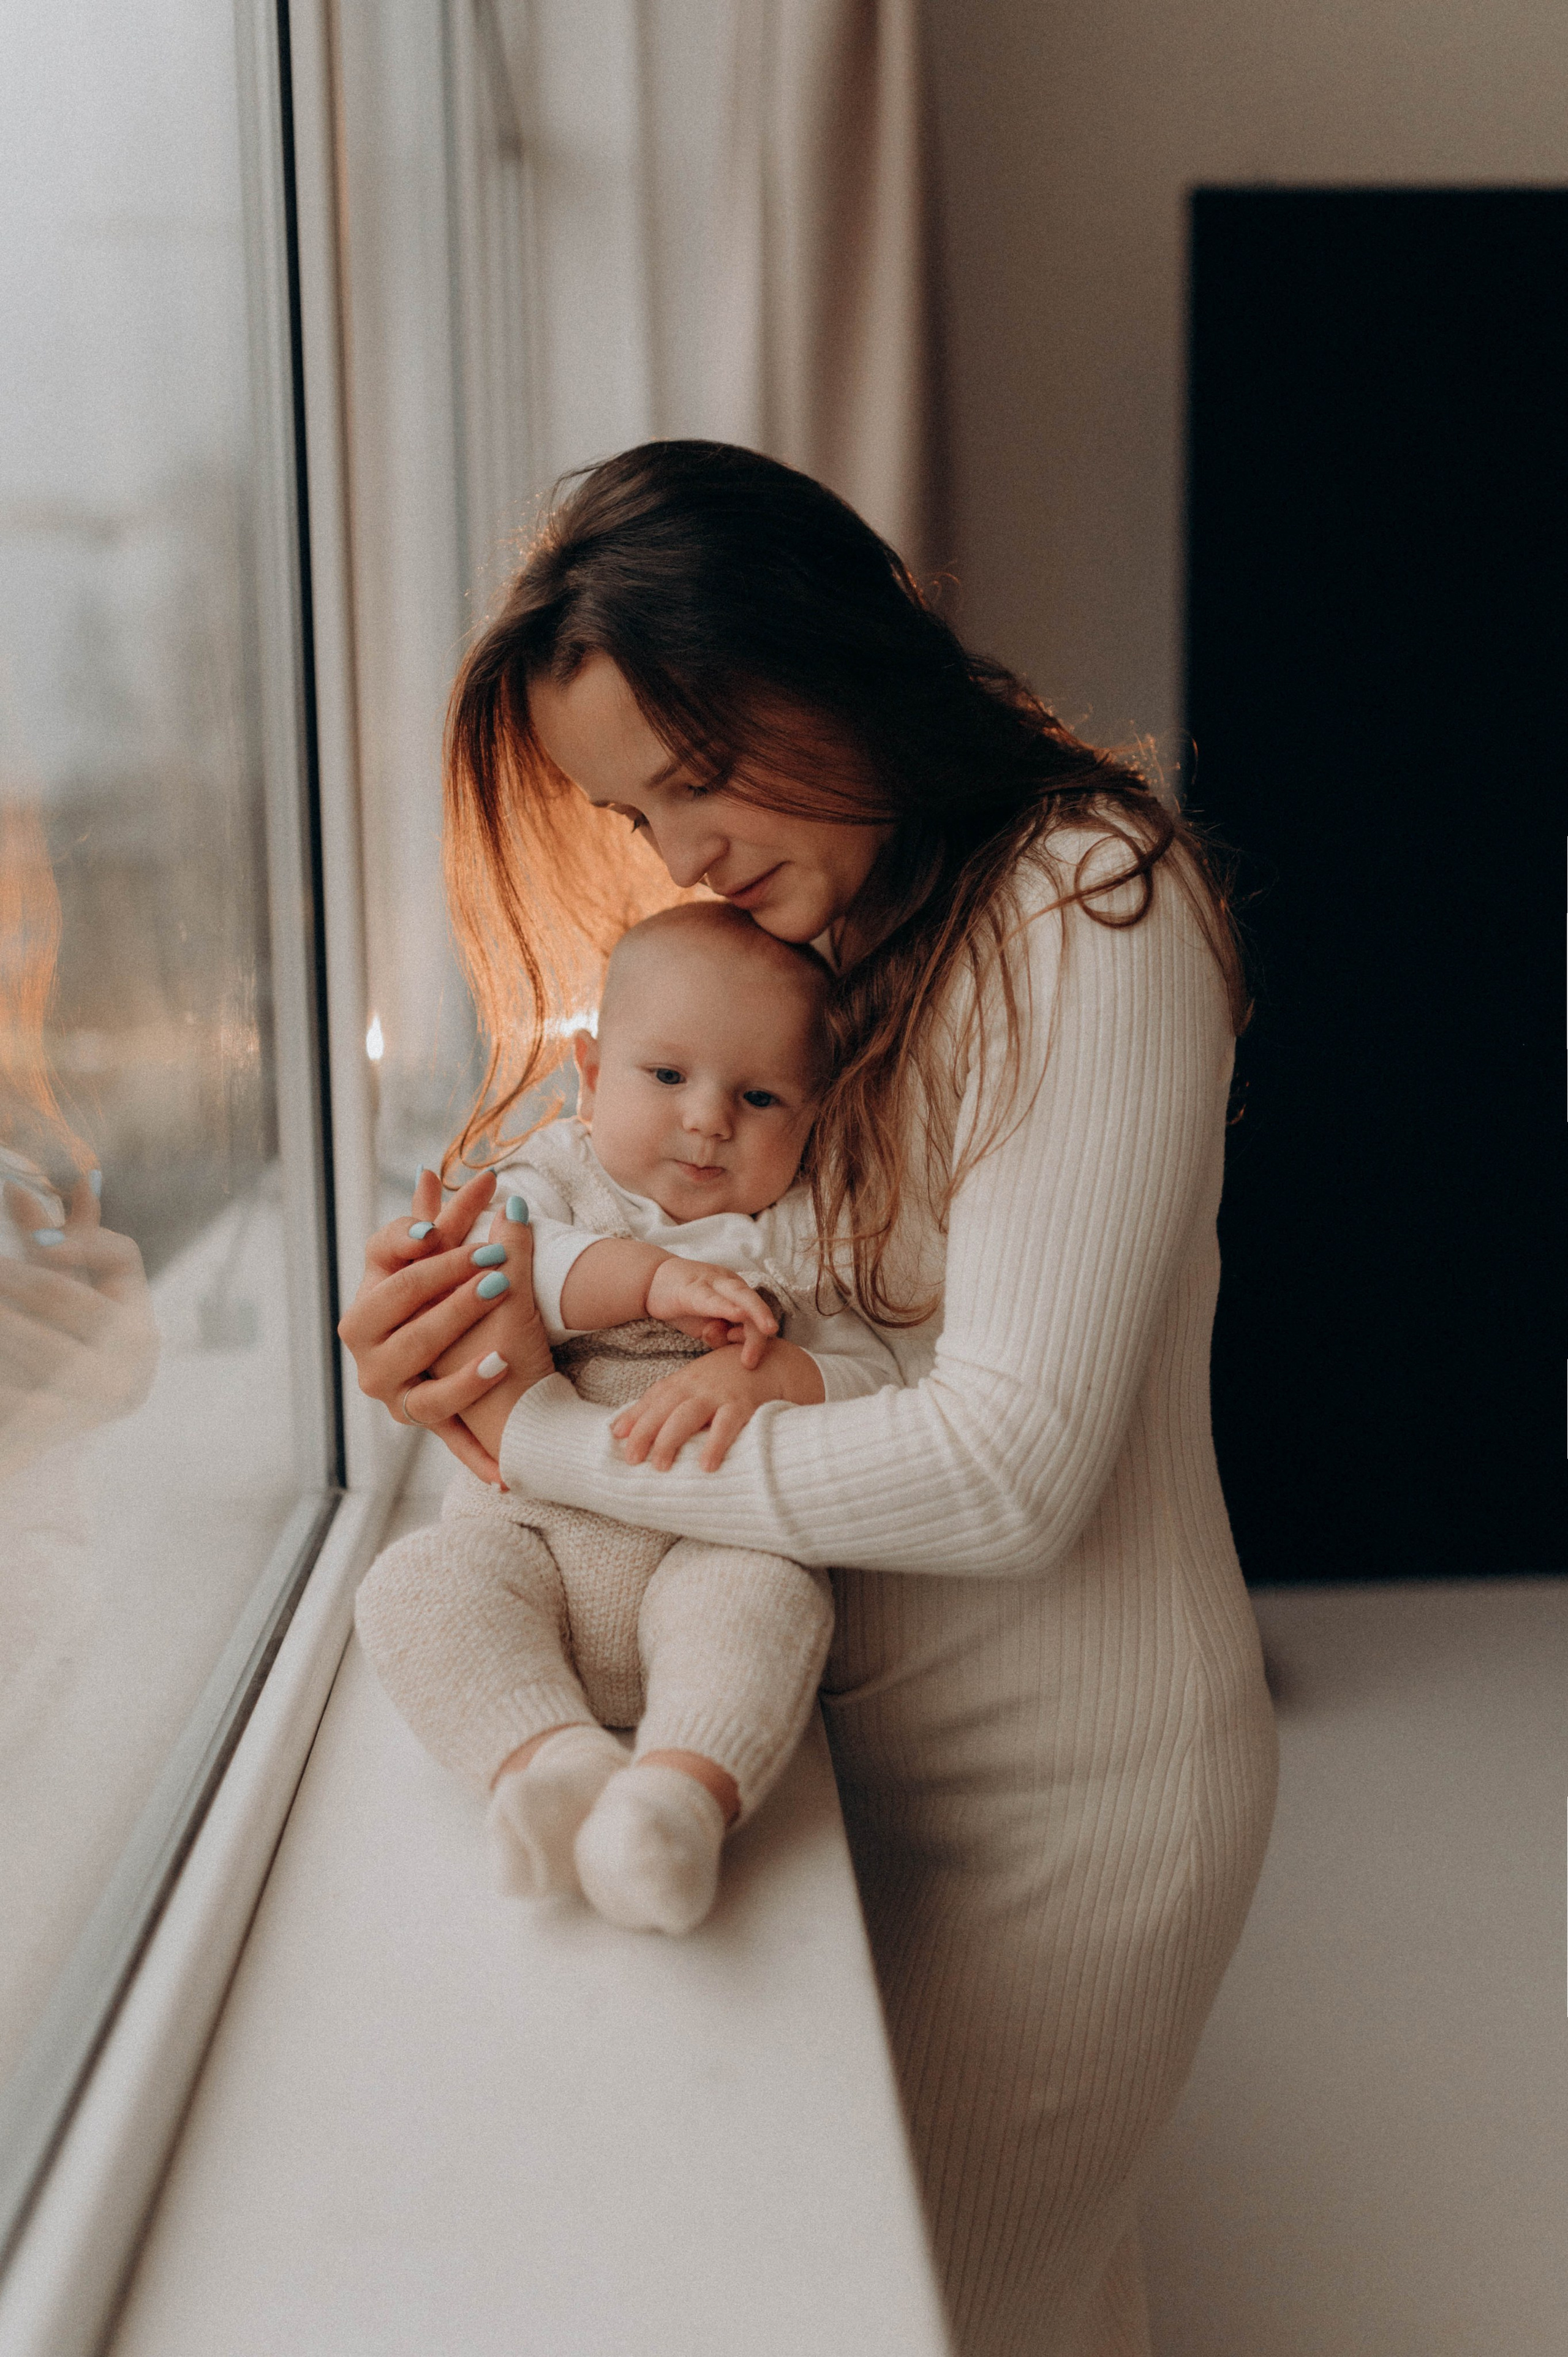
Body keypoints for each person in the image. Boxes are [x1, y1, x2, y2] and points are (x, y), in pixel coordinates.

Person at [339, 441, 1279, 2357]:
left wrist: (540, 1446)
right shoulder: (827, 946)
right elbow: (713, 1307)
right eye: (636, 811)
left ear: (827, 653)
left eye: (693, 776)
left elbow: (1007, 1471)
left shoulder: (1090, 907)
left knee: (958, 2310)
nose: (679, 852)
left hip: (1066, 1807)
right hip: (849, 1760)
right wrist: (451, 1331)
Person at [353, 900, 900, 1935]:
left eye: (761, 1096)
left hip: (708, 1549)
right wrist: (649, 1280)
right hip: (527, 1542)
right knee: (413, 1586)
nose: (709, 1119)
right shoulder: (552, 1177)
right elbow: (507, 1271)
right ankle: (553, 1764)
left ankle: (675, 1802)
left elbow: (878, 1378)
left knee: (769, 1602)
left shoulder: (805, 1229)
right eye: (668, 1076)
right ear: (592, 1075)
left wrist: (778, 1372)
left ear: (816, 1115)